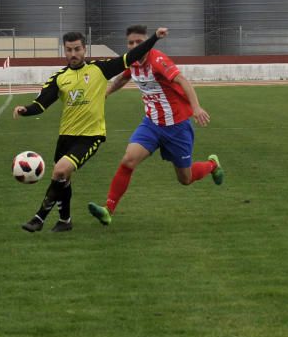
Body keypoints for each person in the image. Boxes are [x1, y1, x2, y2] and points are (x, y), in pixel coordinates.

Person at [13, 26, 168, 233]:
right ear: (64, 51)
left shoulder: (99, 69)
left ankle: (39, 218)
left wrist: (154, 39)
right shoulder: (59, 78)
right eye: (69, 50)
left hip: (90, 136)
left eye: (77, 49)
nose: (73, 54)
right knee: (62, 178)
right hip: (66, 136)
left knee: (60, 171)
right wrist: (25, 110)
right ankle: (65, 220)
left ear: (84, 50)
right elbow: (41, 104)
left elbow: (130, 57)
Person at [88, 25, 224, 226]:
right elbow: (122, 78)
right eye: (131, 43)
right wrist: (106, 93)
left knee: (185, 179)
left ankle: (212, 165)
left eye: (139, 42)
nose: (135, 46)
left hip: (177, 127)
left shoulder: (158, 60)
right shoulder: (132, 61)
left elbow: (183, 81)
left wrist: (196, 107)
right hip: (151, 124)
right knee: (128, 160)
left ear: (147, 42)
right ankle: (108, 209)